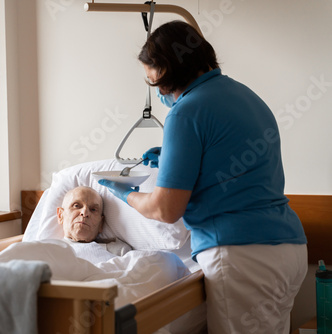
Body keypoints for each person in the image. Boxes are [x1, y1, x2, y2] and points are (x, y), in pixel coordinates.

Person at [98, 20, 307, 334]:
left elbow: (166, 210)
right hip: (288, 248)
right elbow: (230, 162)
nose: (156, 92)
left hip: (242, 255)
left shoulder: (186, 112)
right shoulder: (247, 97)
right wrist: (173, 158)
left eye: (153, 81)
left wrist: (124, 193)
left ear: (169, 68)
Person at [57, 186, 131, 256]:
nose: (85, 213)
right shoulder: (49, 249)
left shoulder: (120, 252)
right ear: (60, 215)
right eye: (76, 206)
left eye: (93, 209)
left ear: (101, 224)